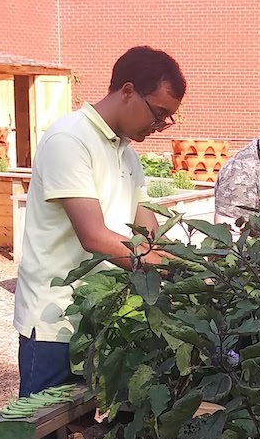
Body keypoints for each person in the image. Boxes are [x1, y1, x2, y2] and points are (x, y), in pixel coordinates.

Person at [13, 46, 186, 397]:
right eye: (158, 113)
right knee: (36, 437)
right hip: (56, 321)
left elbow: (148, 233)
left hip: (105, 318)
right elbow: (94, 236)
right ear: (127, 90)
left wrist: (193, 263)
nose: (159, 126)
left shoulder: (127, 153)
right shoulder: (70, 140)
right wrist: (178, 271)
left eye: (167, 119)